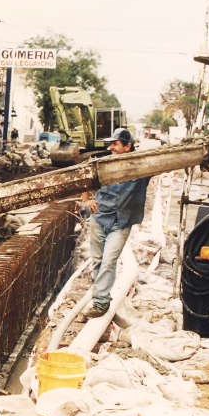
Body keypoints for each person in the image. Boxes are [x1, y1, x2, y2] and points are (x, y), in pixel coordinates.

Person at [78, 128, 150, 318]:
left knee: (109, 260)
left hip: (121, 222)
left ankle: (101, 302)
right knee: (97, 260)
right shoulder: (104, 164)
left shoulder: (142, 167)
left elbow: (168, 162)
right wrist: (86, 201)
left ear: (128, 146)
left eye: (115, 144)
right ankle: (99, 295)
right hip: (99, 218)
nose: (111, 148)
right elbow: (85, 180)